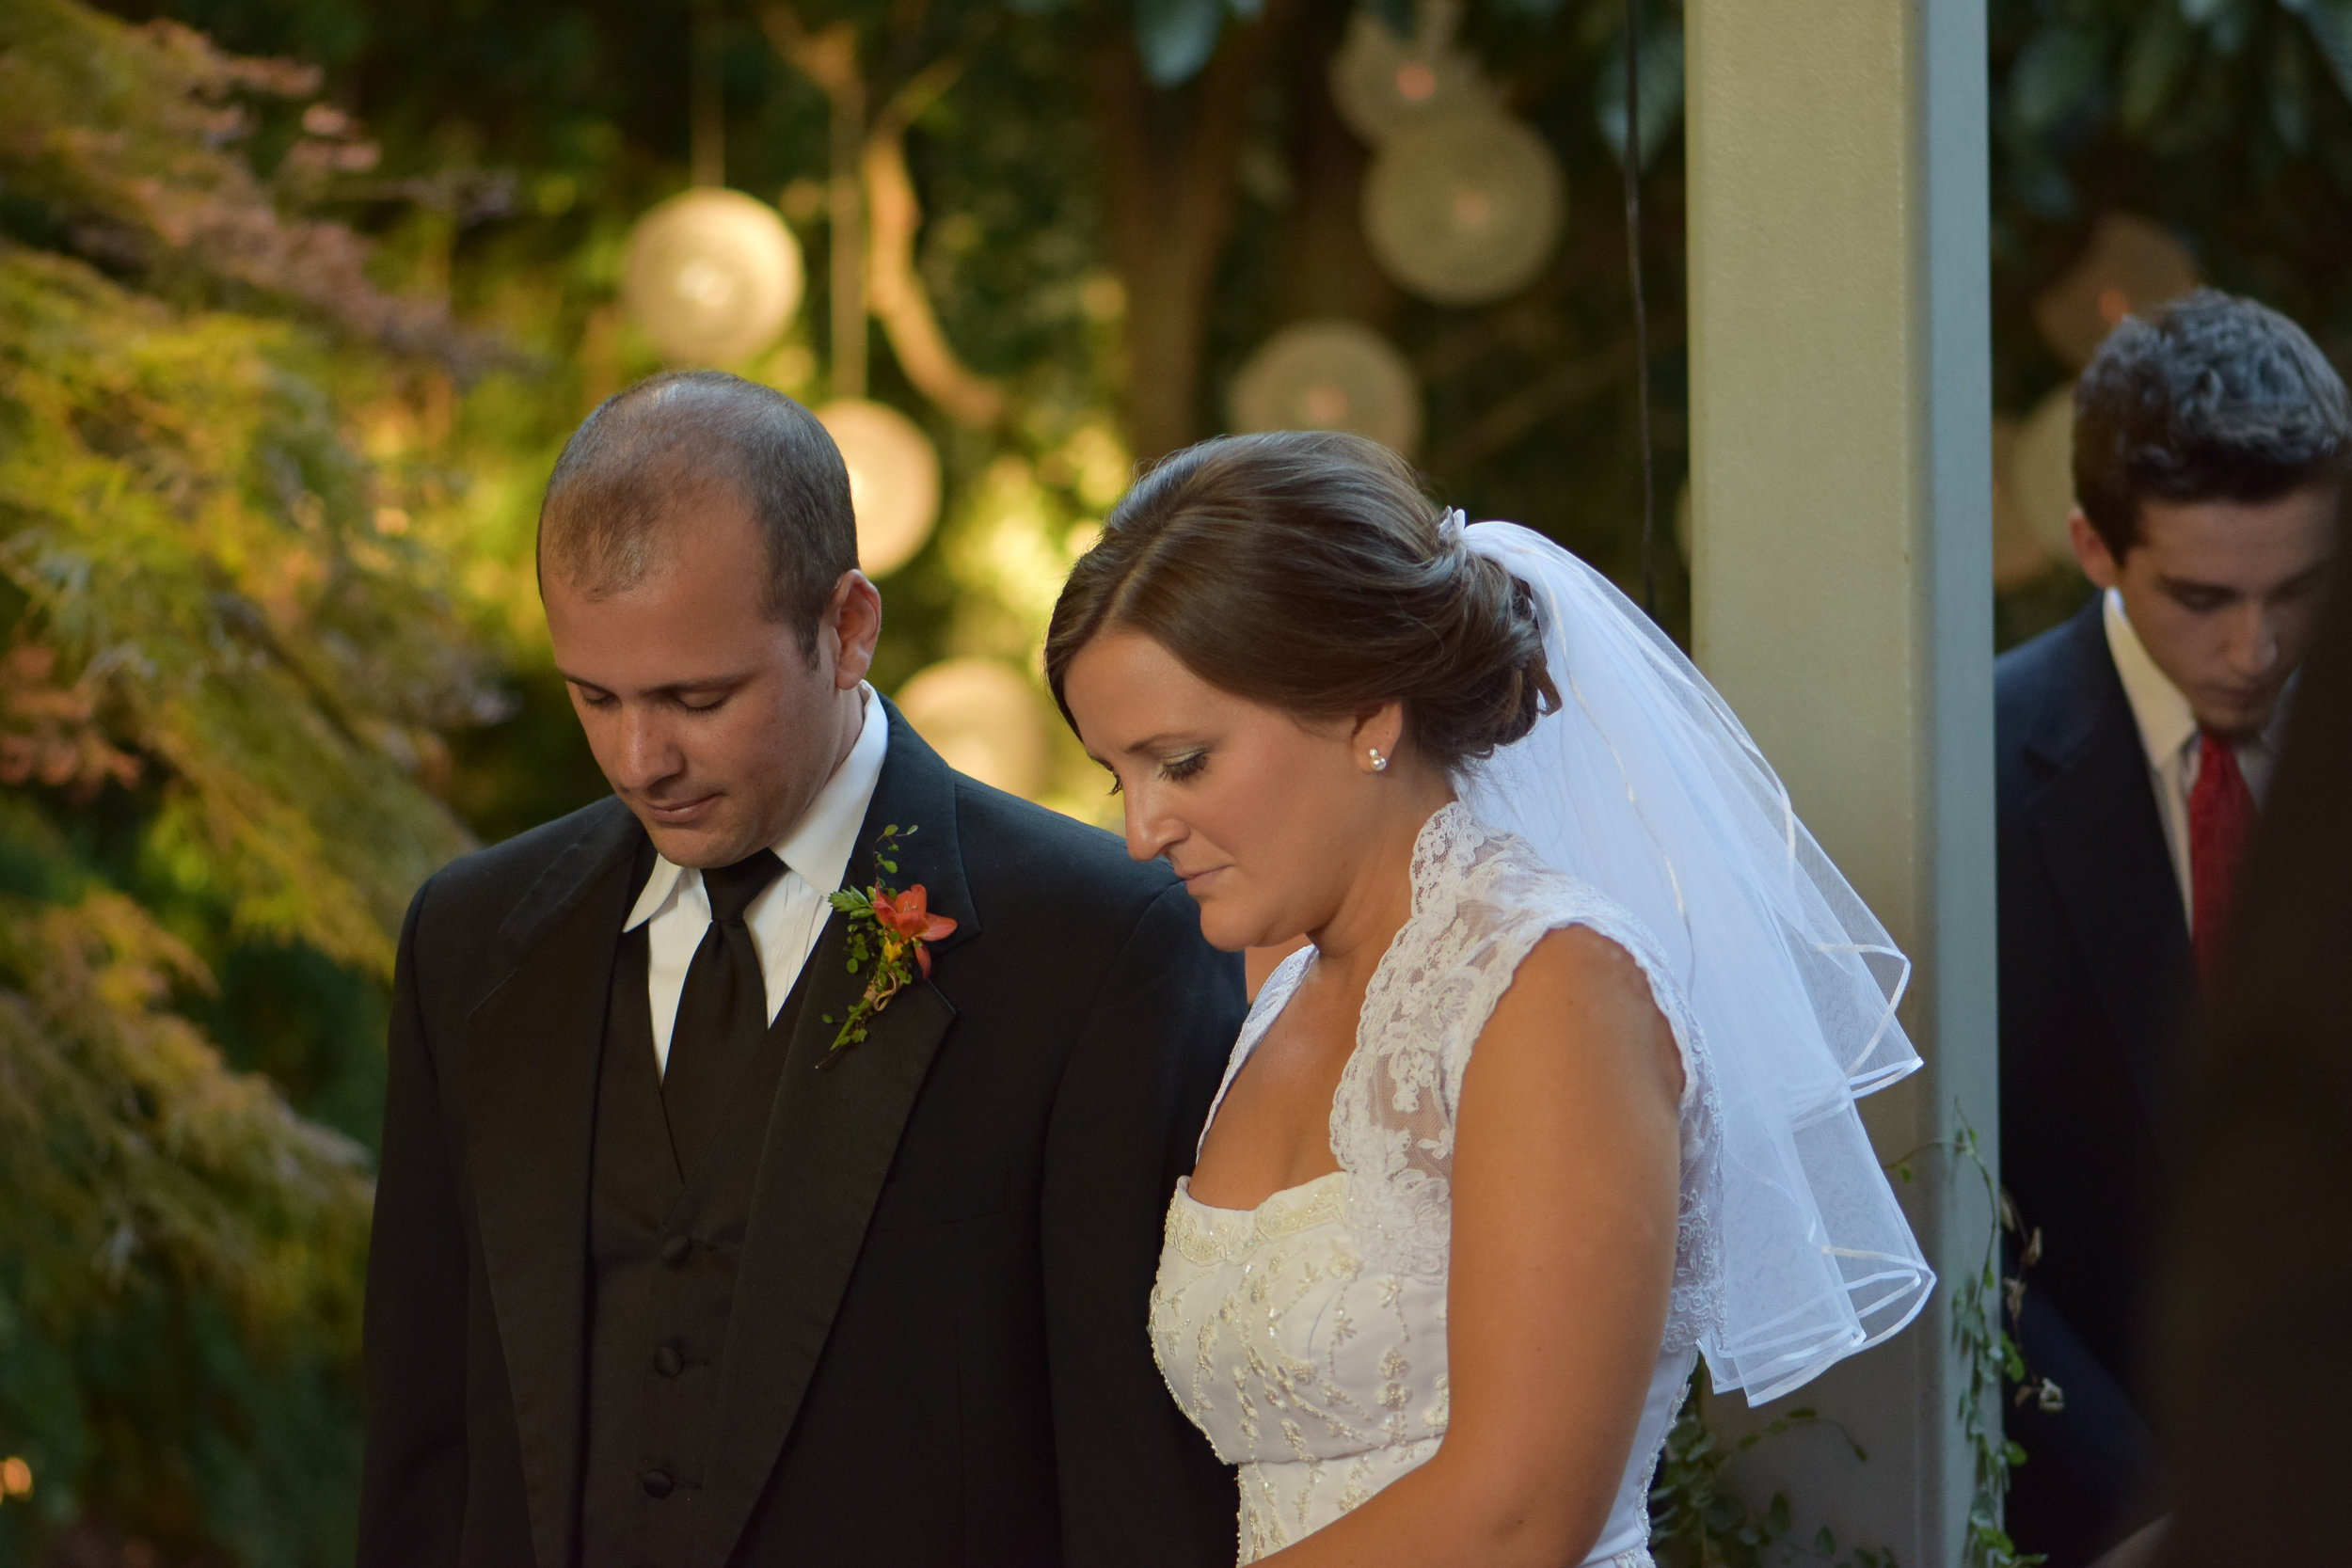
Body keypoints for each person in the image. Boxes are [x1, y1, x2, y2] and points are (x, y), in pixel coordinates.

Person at [356, 372, 1245, 1567]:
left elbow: (1131, 1475)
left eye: (697, 697)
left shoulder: (1101, 941)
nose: (639, 757)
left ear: (846, 627)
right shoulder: (468, 938)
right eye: (594, 695)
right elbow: (426, 1439)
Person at [1044, 433, 1933, 1566]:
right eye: (1114, 775)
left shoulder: (1554, 983)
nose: (1140, 830)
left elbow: (1519, 1513)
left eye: (1181, 761)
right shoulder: (1281, 986)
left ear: (1367, 710)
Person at [1994, 290, 2344, 1564]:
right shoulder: (1966, 778)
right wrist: (2146, 1507)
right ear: (2092, 545)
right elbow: (1946, 1204)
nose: (2257, 647)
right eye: (2202, 597)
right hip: (2092, 1508)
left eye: (2302, 587)